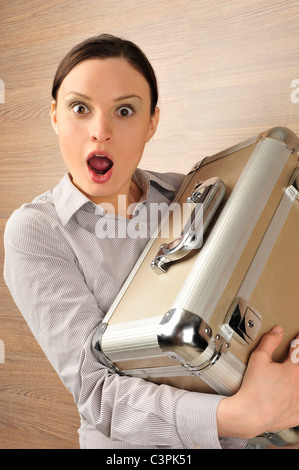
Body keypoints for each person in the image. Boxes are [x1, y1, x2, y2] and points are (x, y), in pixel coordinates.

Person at [3, 34, 299, 449]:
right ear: (54, 115)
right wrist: (235, 417)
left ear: (152, 122)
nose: (99, 132)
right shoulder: (36, 232)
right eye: (80, 108)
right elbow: (97, 393)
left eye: (124, 110)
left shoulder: (192, 190)